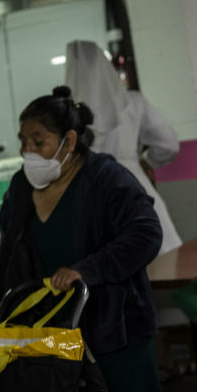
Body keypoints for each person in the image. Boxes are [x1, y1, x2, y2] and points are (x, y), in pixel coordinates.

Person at [0, 86, 189, 392]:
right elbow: (8, 252)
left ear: (69, 140)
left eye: (38, 140)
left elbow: (146, 233)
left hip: (115, 322)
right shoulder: (21, 188)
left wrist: (88, 270)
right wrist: (1, 317)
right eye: (23, 141)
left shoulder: (106, 178)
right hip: (58, 326)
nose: (28, 151)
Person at [65, 40, 184, 254]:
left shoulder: (66, 114)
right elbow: (168, 143)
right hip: (135, 184)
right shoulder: (133, 102)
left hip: (88, 196)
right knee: (161, 257)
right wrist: (147, 161)